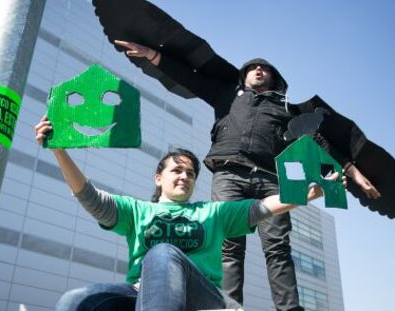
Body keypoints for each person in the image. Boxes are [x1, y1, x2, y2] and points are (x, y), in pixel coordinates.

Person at [112, 40, 380, 311]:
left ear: (274, 78)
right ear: (245, 75)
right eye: (253, 67)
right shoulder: (225, 94)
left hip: (270, 178)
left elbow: (318, 142)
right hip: (229, 173)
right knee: (229, 243)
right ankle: (227, 307)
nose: (258, 70)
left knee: (277, 245)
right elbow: (190, 79)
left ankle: (289, 309)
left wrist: (352, 172)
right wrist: (153, 55)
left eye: (265, 68)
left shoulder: (287, 110)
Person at [35, 116, 343, 311]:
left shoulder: (213, 212)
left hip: (201, 297)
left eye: (191, 174)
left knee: (163, 254)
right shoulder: (137, 211)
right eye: (176, 170)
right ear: (159, 178)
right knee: (75, 301)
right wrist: (59, 150)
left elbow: (262, 207)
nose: (184, 176)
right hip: (139, 294)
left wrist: (307, 193)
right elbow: (89, 196)